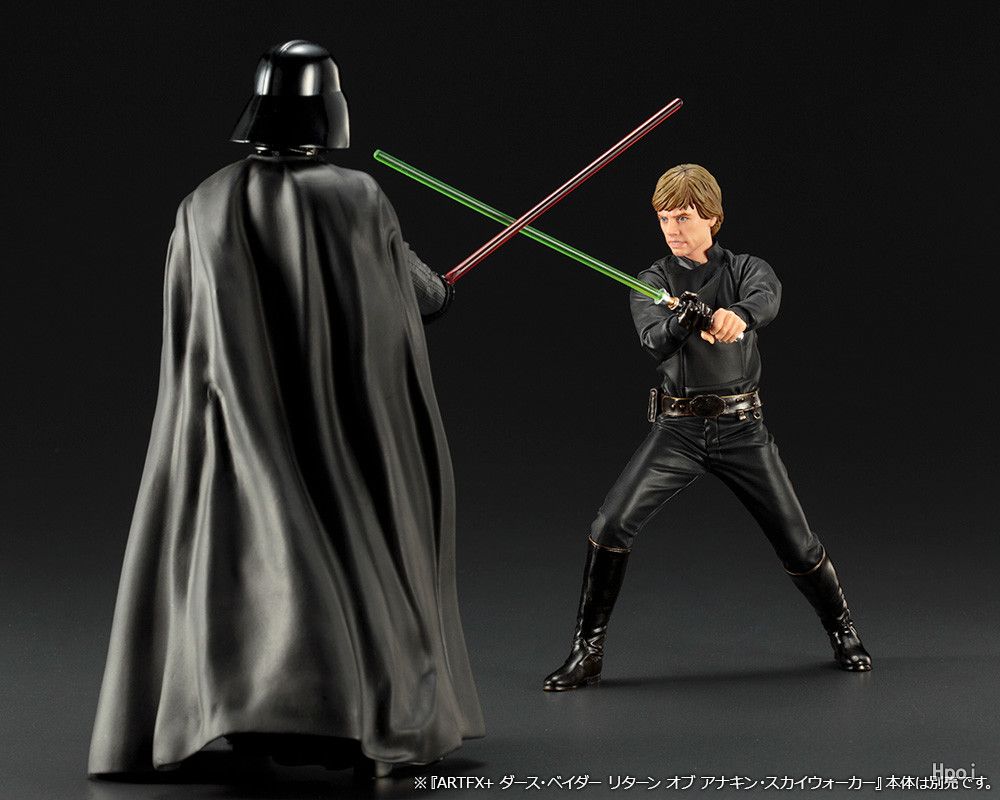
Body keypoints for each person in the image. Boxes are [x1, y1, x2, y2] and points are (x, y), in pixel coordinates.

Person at [88, 40, 484, 778]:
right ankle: (356, 712)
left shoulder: (203, 202)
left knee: (233, 551)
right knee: (351, 545)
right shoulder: (354, 196)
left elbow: (192, 322)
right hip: (332, 425)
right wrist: (435, 292)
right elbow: (402, 294)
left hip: (228, 423)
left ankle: (239, 708)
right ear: (329, 112)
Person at [542, 163, 872, 692]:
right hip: (678, 431)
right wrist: (682, 320)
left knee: (797, 542)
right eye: (664, 218)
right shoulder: (651, 281)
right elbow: (654, 340)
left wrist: (736, 315)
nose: (672, 228)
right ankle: (588, 651)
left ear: (712, 218)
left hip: (742, 429)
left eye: (683, 217)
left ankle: (843, 630)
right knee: (610, 525)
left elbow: (767, 296)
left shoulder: (745, 269)